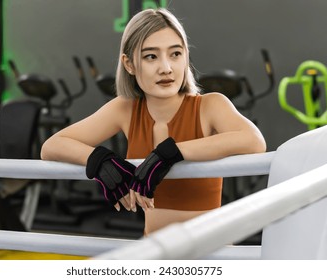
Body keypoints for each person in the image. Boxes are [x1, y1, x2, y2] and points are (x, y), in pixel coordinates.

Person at [40, 8, 266, 234]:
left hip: (208, 253)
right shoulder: (125, 109)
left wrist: (170, 153)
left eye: (175, 54)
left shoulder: (210, 105)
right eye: (151, 56)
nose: (166, 68)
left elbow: (254, 141)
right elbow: (52, 146)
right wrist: (99, 160)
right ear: (129, 64)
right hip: (154, 252)